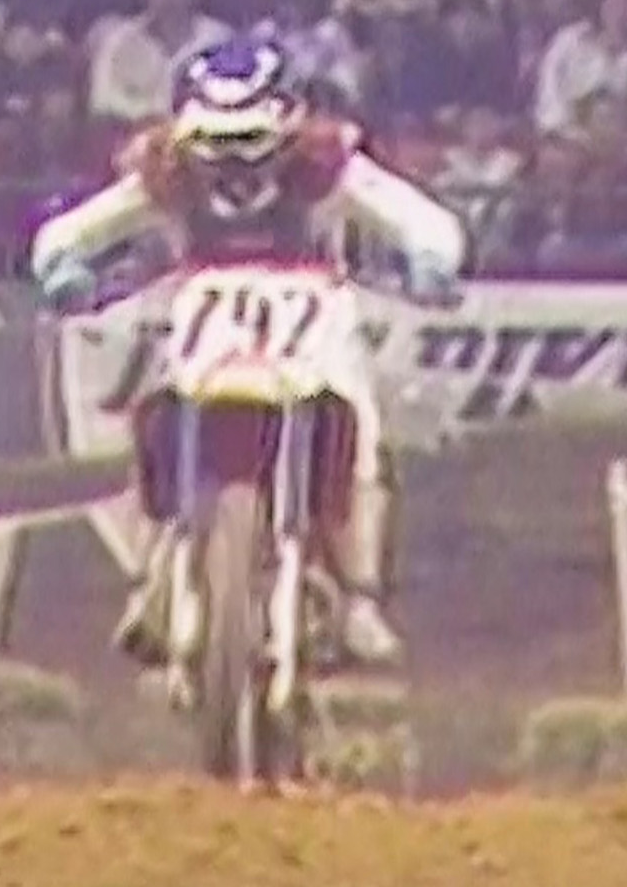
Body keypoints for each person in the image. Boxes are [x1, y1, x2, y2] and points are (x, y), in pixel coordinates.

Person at [29, 35, 467, 670]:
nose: (234, 164)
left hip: (313, 312)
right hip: (205, 315)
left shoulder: (326, 164)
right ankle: (151, 577)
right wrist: (64, 268)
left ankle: (361, 597)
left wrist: (431, 258)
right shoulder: (167, 170)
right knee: (158, 419)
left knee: (358, 429)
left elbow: (417, 217)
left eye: (248, 140)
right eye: (218, 143)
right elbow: (71, 231)